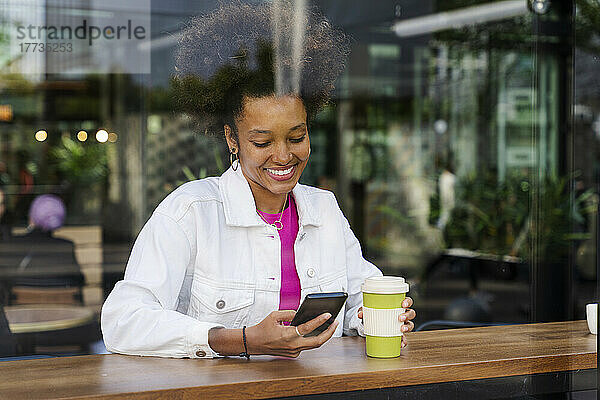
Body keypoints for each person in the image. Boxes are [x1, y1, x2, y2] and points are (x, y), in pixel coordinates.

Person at [101, 1, 416, 359]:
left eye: (296, 137)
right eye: (262, 142)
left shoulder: (323, 209)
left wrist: (379, 316)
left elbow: (360, 295)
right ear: (232, 139)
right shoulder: (192, 212)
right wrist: (240, 339)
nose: (283, 156)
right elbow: (122, 321)